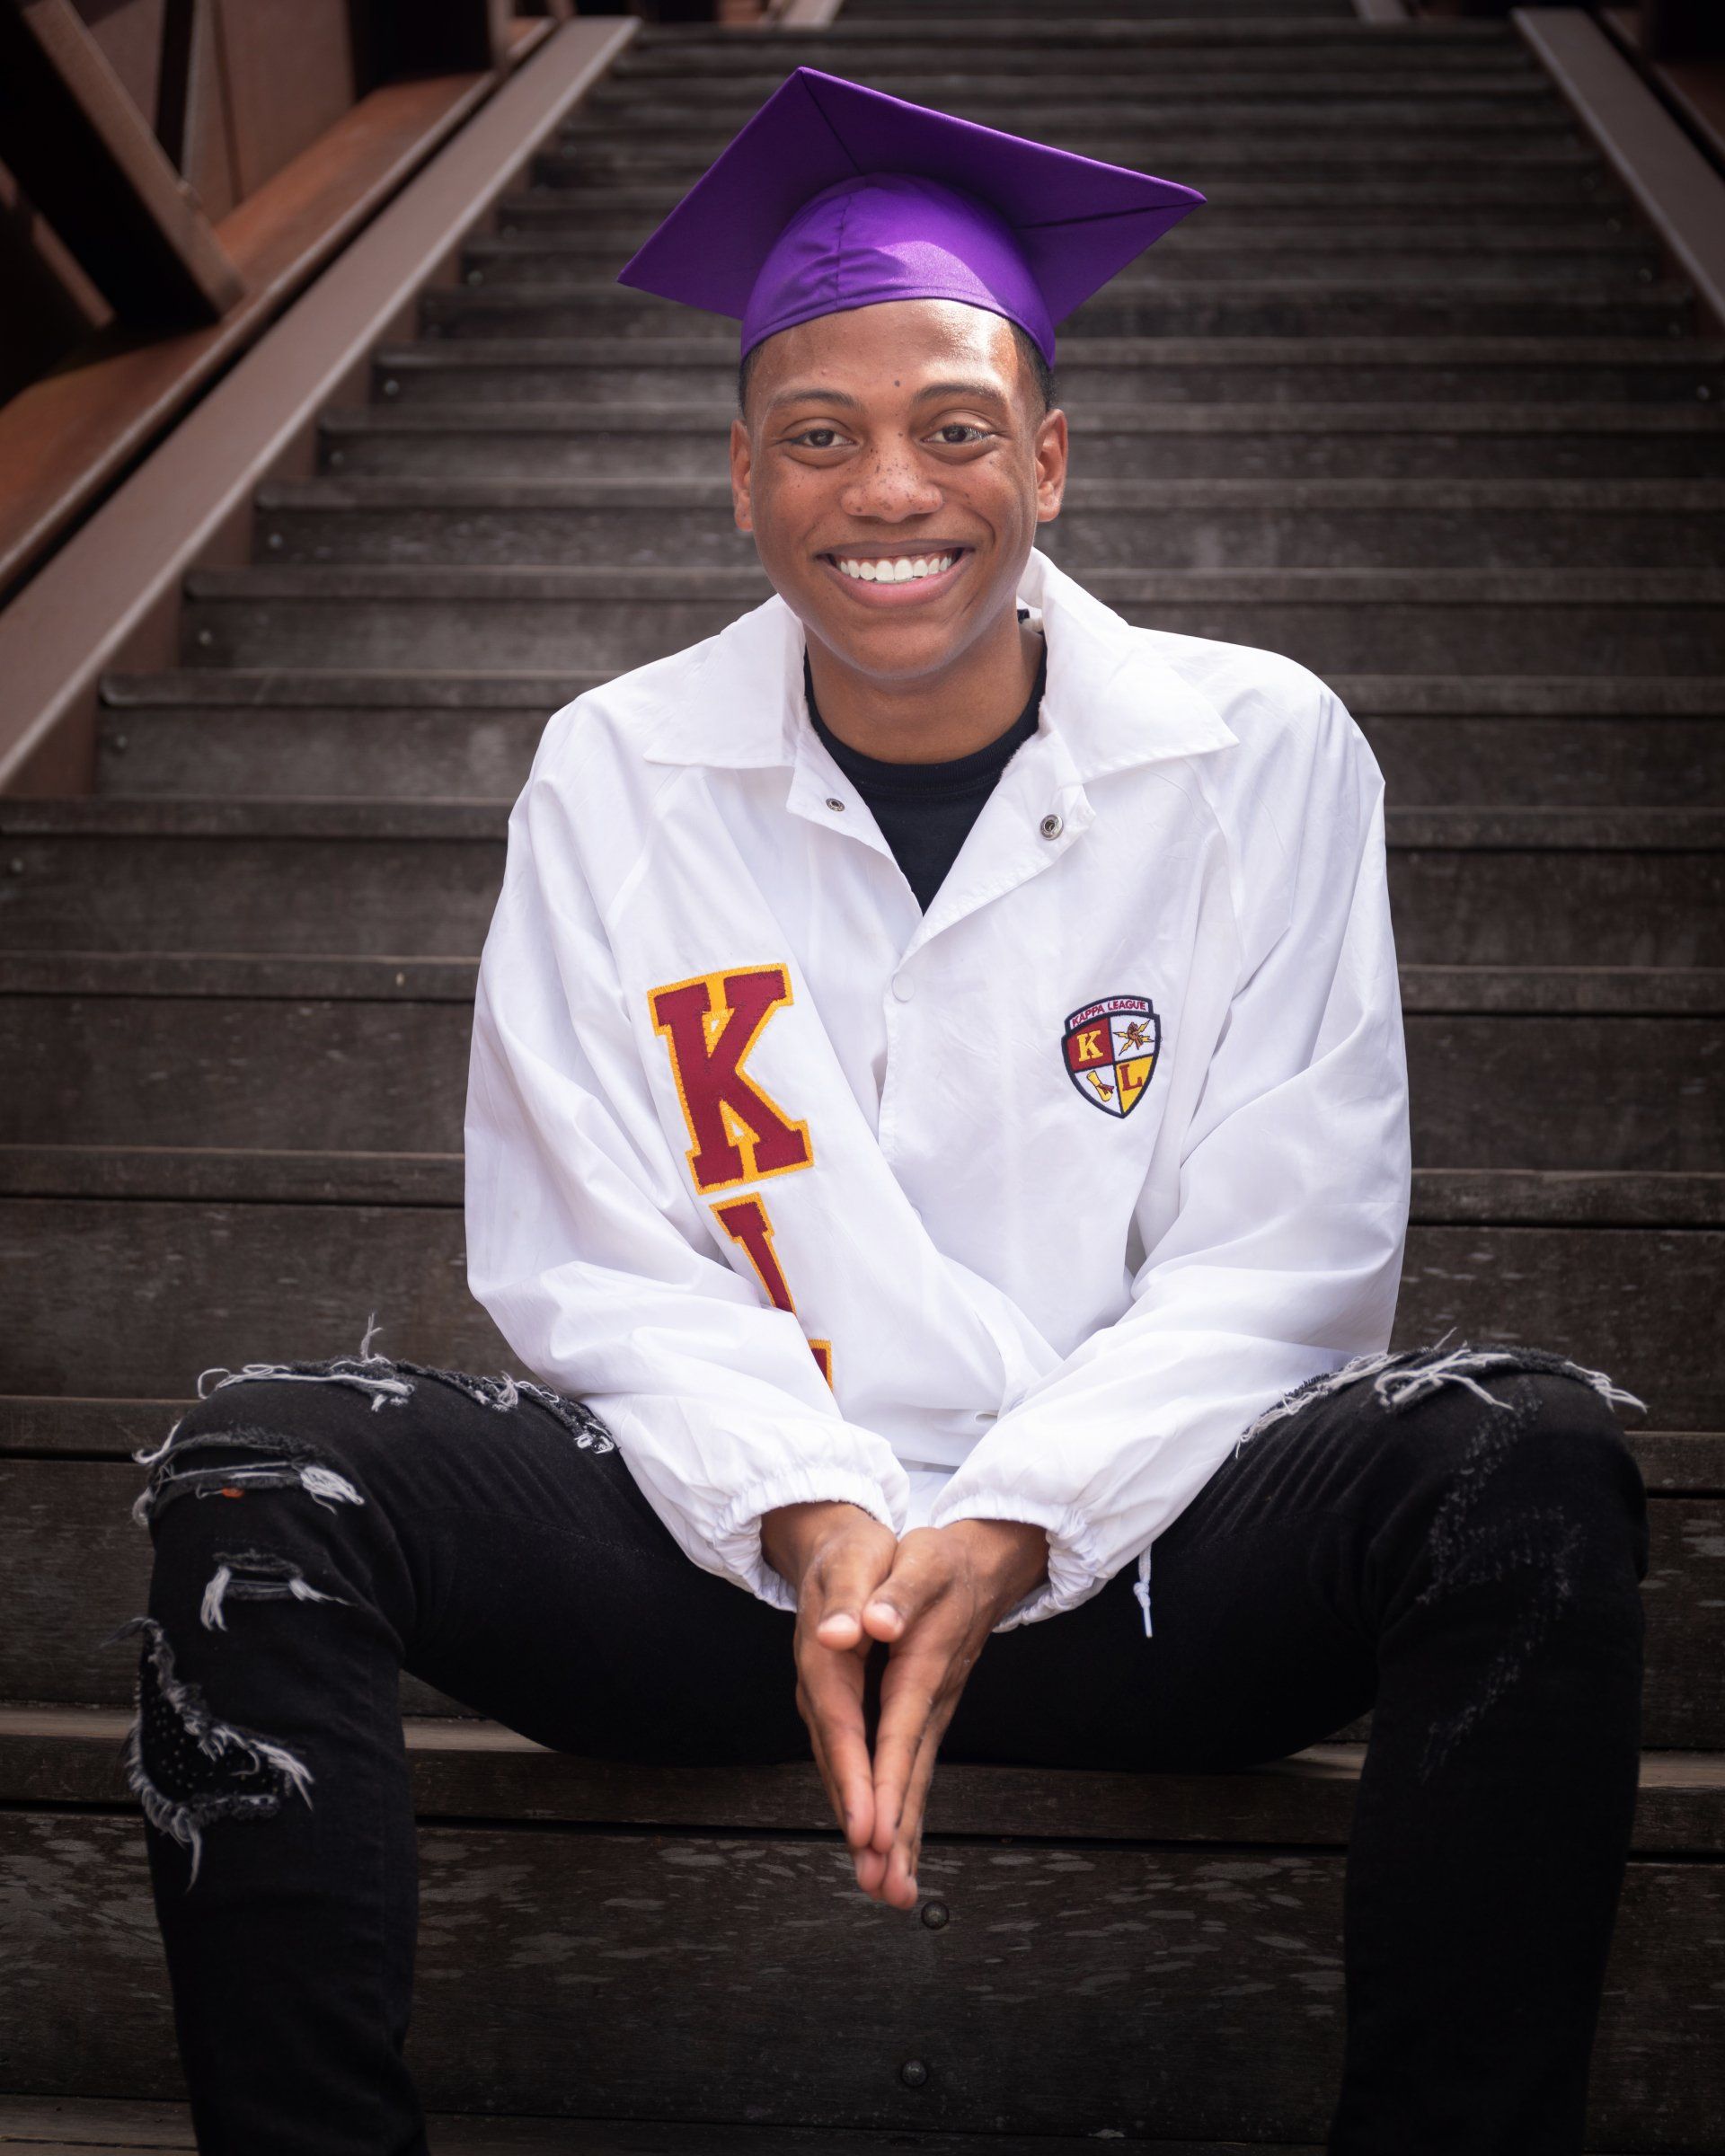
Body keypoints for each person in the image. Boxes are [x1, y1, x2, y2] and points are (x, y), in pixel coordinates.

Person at [120, 67, 1651, 2156]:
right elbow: (593, 1255)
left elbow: (1293, 1246)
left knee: (1527, 1458)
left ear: (1049, 456)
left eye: (953, 427)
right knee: (256, 1477)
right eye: (820, 439)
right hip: (744, 1570)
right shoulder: (614, 768)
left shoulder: (1260, 748)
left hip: (1140, 1558)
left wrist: (1018, 1516)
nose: (890, 490)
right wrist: (823, 1511)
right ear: (739, 485)